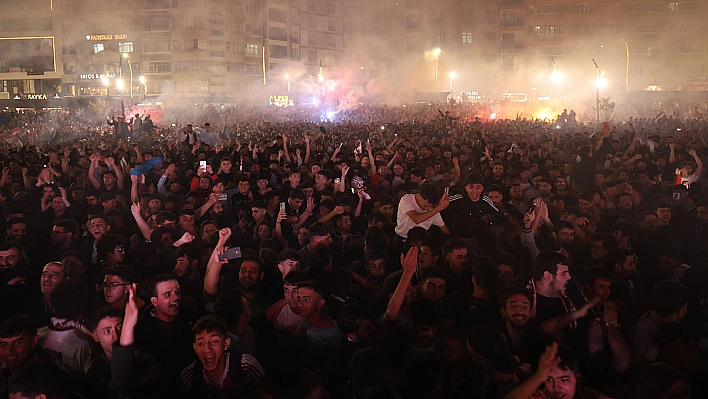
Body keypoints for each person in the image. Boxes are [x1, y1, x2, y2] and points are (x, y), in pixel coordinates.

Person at [180, 315, 265, 398]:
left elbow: (269, 393)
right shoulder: (190, 375)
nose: (207, 349)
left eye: (215, 341)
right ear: (195, 348)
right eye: (200, 343)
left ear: (226, 344)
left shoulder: (246, 366)